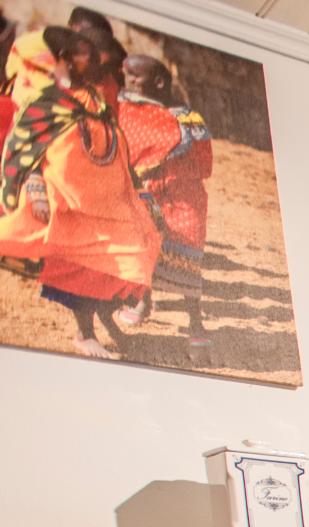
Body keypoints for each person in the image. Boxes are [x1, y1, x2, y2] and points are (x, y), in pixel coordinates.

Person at [0, 23, 158, 358]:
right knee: (83, 267)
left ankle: (108, 322)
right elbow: (23, 150)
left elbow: (119, 146)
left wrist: (137, 188)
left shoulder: (95, 98)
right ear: (66, 59)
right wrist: (35, 187)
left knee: (133, 253)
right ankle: (85, 334)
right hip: (69, 201)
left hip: (108, 201)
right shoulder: (46, 101)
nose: (95, 58)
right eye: (85, 52)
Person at [117, 53, 210, 354]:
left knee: (188, 258)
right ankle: (144, 302)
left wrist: (174, 168)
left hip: (185, 200)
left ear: (158, 82)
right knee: (148, 251)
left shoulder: (189, 120)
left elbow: (205, 164)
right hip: (150, 196)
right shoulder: (134, 114)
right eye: (127, 76)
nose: (130, 82)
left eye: (136, 77)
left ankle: (195, 323)